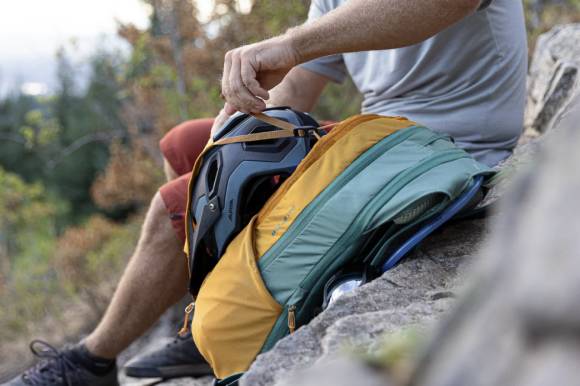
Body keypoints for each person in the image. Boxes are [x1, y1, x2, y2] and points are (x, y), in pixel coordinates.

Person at [2, 0, 527, 384]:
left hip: (443, 154)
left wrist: (294, 41)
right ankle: (203, 322)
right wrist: (233, 130)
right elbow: (296, 91)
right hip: (375, 140)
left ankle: (89, 362)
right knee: (188, 145)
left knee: (174, 208)